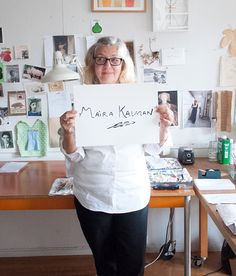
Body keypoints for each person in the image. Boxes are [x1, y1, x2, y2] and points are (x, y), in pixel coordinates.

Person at [59, 36, 174, 276]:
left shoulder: (139, 99)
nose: (107, 66)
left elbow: (153, 149)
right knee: (105, 263)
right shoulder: (81, 103)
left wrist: (164, 126)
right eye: (100, 59)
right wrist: (68, 132)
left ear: (124, 65)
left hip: (132, 194)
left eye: (115, 60)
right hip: (92, 195)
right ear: (92, 64)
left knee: (132, 264)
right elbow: (74, 155)